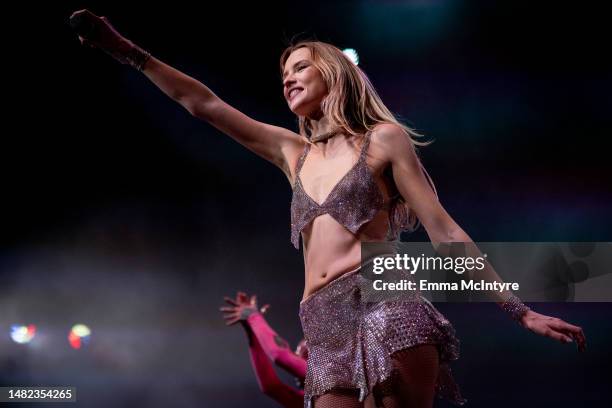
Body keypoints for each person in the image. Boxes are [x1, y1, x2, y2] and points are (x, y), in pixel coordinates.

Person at [70, 9, 587, 408]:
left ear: (333, 73)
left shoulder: (382, 140)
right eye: (283, 74)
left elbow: (444, 230)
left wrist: (519, 312)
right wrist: (125, 51)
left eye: (300, 67)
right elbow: (203, 105)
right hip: (319, 321)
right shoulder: (291, 153)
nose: (288, 79)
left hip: (384, 304)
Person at [220, 291, 307, 408]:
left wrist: (253, 317)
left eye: (301, 355)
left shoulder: (326, 372)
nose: (296, 357)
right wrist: (253, 332)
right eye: (296, 353)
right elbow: (270, 386)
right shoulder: (309, 399)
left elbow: (280, 355)